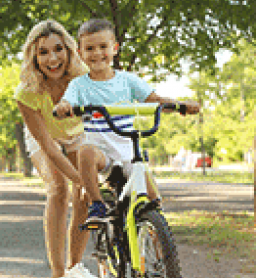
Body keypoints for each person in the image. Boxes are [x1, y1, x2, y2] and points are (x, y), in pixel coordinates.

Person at [54, 18, 201, 227]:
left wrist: (181, 106)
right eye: (90, 48)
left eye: (103, 47)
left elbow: (156, 100)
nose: (97, 53)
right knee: (85, 150)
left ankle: (158, 246)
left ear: (114, 48)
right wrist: (63, 107)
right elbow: (67, 101)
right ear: (80, 52)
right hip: (101, 153)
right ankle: (97, 203)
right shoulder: (79, 85)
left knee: (153, 202)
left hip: (128, 151)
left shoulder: (127, 80)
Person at [14, 20, 99, 278]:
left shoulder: (84, 77)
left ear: (69, 49)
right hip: (45, 139)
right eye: (43, 52)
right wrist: (79, 178)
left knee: (85, 196)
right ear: (33, 57)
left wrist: (87, 180)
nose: (52, 59)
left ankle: (76, 266)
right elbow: (50, 148)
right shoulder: (27, 92)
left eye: (58, 49)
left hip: (75, 133)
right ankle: (58, 277)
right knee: (59, 190)